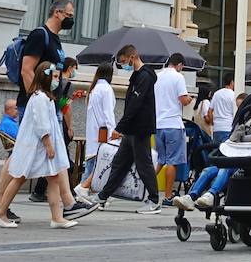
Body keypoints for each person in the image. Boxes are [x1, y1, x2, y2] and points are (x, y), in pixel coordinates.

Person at [0, 62, 78, 229]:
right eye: (54, 77)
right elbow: (41, 124)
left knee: (53, 179)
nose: (57, 81)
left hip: (41, 147)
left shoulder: (46, 98)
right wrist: (49, 145)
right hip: (37, 147)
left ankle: (57, 217)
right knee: (20, 177)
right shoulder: (40, 98)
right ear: (45, 77)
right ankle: (0, 212)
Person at [91, 44, 161, 214]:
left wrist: (120, 127)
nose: (123, 65)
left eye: (124, 61)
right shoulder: (137, 76)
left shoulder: (144, 76)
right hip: (132, 129)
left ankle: (154, 200)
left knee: (143, 164)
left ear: (132, 57)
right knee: (119, 163)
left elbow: (135, 104)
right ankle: (103, 196)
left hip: (139, 128)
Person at [174, 112, 251, 211]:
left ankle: (212, 194)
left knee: (226, 167)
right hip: (241, 158)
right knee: (208, 170)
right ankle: (191, 196)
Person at [21, 0, 74, 202]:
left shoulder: (56, 40)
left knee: (58, 154)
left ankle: (67, 202)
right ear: (57, 13)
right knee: (19, 157)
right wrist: (37, 98)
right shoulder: (39, 35)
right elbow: (27, 70)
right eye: (69, 15)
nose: (71, 20)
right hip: (37, 104)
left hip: (51, 104)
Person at [75, 62, 116, 201]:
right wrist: (113, 132)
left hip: (94, 133)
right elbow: (108, 113)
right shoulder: (106, 89)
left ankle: (83, 191)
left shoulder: (94, 89)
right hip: (103, 133)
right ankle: (83, 190)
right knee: (100, 165)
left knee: (92, 163)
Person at [154, 52, 192, 199]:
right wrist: (189, 99)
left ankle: (145, 188)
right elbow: (183, 99)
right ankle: (168, 196)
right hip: (173, 124)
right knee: (172, 162)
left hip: (158, 124)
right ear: (180, 65)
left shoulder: (157, 76)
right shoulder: (178, 77)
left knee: (160, 161)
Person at [0, 99, 24, 223]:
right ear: (8, 110)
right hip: (17, 153)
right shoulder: (9, 123)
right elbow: (20, 137)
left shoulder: (11, 122)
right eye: (15, 108)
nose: (18, 111)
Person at [211, 72, 238, 143]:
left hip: (217, 128)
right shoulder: (234, 95)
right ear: (232, 82)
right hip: (228, 127)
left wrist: (212, 122)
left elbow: (210, 111)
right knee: (226, 151)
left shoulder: (216, 94)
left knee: (215, 152)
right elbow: (235, 113)